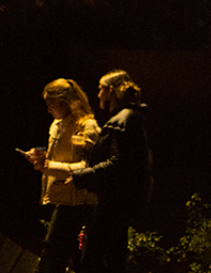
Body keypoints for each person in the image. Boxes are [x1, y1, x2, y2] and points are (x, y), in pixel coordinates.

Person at [67, 69, 152, 273]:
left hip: (113, 202)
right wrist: (94, 147)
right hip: (120, 201)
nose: (97, 95)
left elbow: (118, 162)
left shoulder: (122, 121)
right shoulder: (128, 118)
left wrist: (81, 175)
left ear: (111, 91)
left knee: (92, 258)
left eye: (100, 89)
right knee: (114, 258)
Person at [23, 78, 100, 273]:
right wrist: (40, 155)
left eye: (51, 105)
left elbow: (89, 167)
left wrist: (49, 165)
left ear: (65, 103)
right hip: (62, 197)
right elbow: (60, 154)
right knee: (70, 256)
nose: (48, 110)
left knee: (53, 255)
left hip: (78, 200)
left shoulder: (87, 126)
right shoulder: (57, 125)